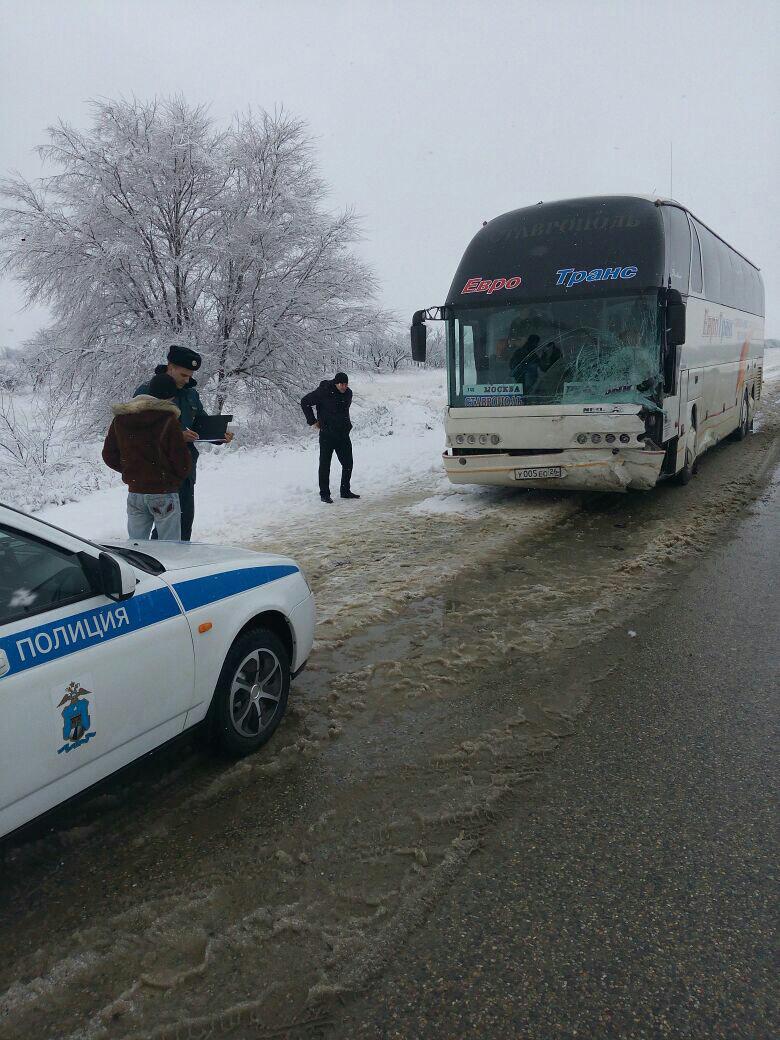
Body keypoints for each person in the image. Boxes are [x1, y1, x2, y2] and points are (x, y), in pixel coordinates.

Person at [134, 344, 233, 541]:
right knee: (164, 525)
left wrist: (219, 434)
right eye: (183, 375)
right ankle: (154, 567)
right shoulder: (147, 391)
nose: (188, 380)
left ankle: (178, 565)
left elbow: (199, 422)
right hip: (157, 470)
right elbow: (138, 430)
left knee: (183, 522)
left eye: (190, 375)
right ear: (170, 367)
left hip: (185, 468)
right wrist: (178, 435)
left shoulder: (191, 393)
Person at [102, 372, 192, 540]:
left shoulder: (120, 420)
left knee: (136, 548)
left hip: (135, 492)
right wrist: (172, 478)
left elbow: (108, 455)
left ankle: (135, 567)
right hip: (164, 492)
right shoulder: (168, 420)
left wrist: (131, 470)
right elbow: (182, 461)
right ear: (170, 397)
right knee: (169, 549)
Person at [301, 372, 360, 504]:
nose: (344, 387)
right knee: (325, 465)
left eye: (346, 384)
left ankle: (345, 491)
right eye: (342, 384)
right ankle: (324, 494)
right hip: (327, 434)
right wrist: (313, 421)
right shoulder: (324, 391)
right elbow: (305, 402)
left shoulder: (348, 393)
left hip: (343, 434)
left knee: (348, 463)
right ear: (336, 383)